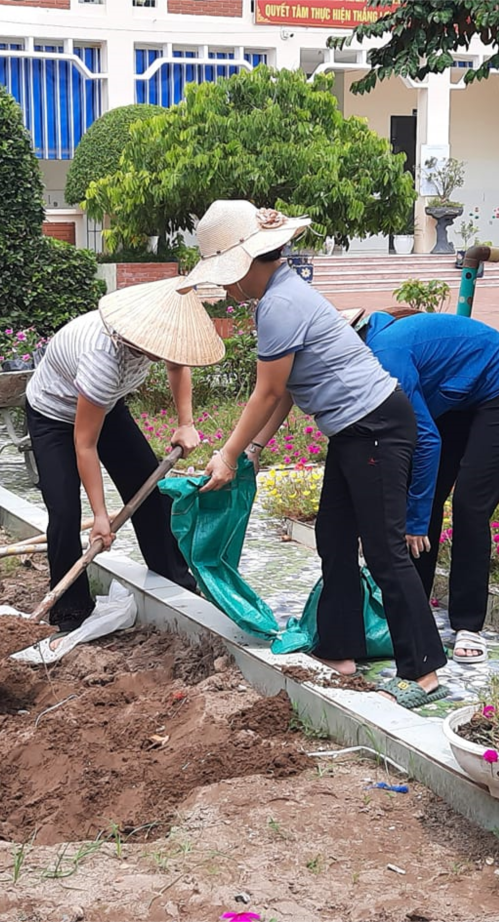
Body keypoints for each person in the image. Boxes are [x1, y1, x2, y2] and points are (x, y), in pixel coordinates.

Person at [186, 200, 447, 710]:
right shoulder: (282, 296)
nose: (226, 288)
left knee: (385, 550)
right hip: (355, 431)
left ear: (244, 263)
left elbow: (265, 392)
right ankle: (340, 649)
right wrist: (253, 449)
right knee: (333, 537)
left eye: (225, 274)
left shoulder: (280, 304)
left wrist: (228, 455)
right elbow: (285, 390)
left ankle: (423, 672)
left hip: (375, 426)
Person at [329, 309, 499, 665]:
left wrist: (414, 522)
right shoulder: (368, 359)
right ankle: (415, 604)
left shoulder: (386, 357)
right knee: (426, 489)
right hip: (456, 392)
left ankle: (468, 624)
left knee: (470, 504)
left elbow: (427, 441)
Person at [23, 276, 223, 634]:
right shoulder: (102, 357)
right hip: (53, 415)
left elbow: (177, 365)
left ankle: (175, 582)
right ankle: (70, 611)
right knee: (65, 511)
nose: (167, 351)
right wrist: (101, 516)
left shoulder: (157, 338)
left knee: (149, 490)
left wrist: (186, 423)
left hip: (106, 406)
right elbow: (85, 445)